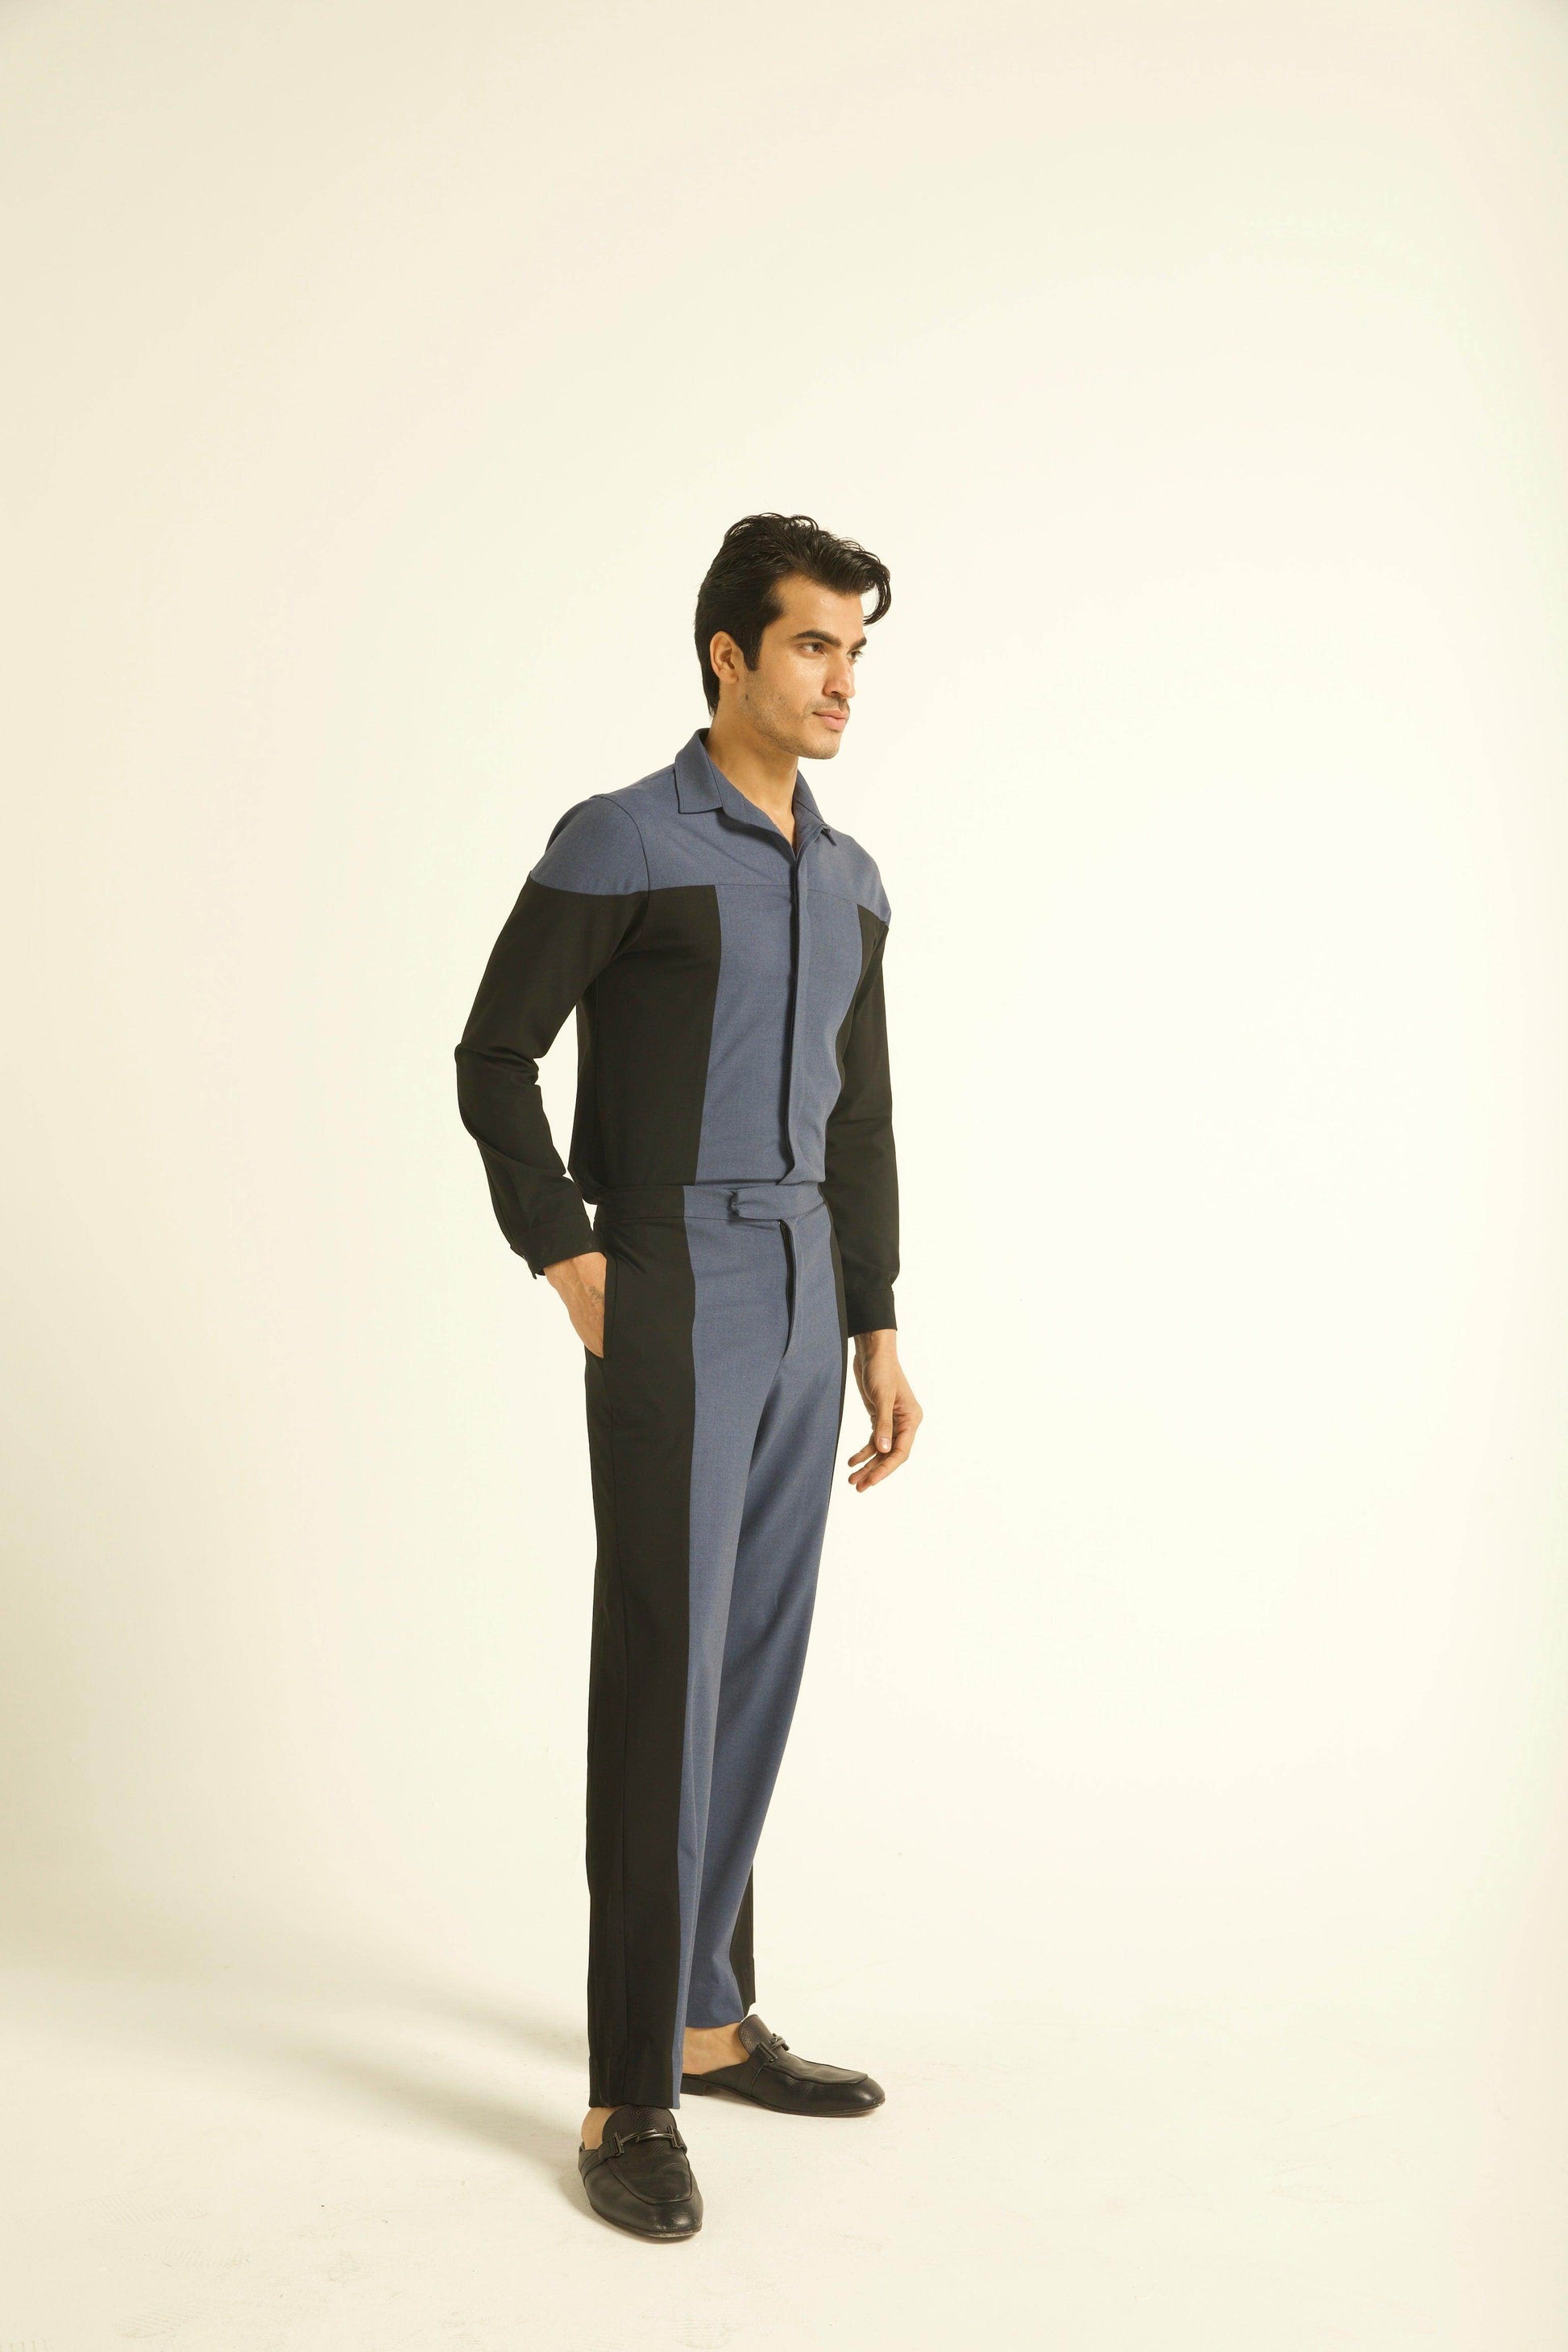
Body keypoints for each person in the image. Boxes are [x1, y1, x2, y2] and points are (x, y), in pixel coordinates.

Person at [454, 512, 923, 2239]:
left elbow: (861, 1116)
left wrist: (875, 1320)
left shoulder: (852, 876)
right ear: (729, 652)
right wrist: (568, 1249)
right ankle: (626, 2089)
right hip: (667, 1274)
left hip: (803, 1285)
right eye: (812, 645)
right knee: (665, 1669)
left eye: (856, 650)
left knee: (755, 1663)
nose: (842, 680)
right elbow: (493, 1052)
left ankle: (711, 2022)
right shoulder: (623, 838)